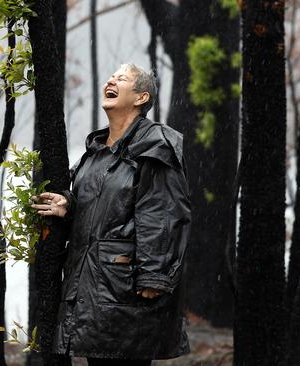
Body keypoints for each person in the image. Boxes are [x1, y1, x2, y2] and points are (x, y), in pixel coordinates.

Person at [32, 64, 191, 365]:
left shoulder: (155, 144)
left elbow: (163, 212)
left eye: (122, 78)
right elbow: (103, 207)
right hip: (92, 288)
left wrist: (154, 275)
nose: (111, 80)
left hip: (127, 288)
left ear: (141, 97)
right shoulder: (94, 154)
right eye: (110, 76)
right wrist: (69, 207)